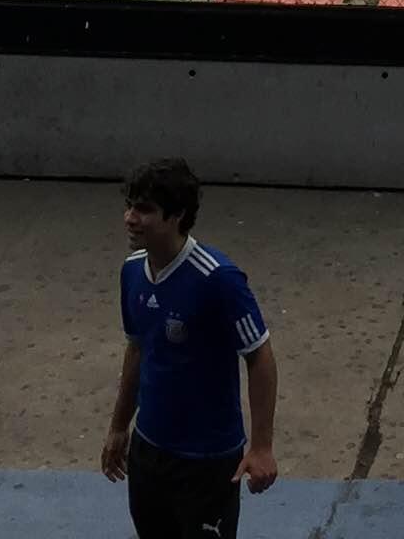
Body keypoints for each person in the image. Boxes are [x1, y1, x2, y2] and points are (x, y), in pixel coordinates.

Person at [102, 158, 277, 538]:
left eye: (145, 209)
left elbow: (260, 354)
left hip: (208, 463)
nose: (130, 218)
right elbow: (137, 349)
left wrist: (262, 446)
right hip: (149, 452)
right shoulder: (132, 272)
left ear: (177, 215)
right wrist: (119, 427)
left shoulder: (218, 279)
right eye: (129, 205)